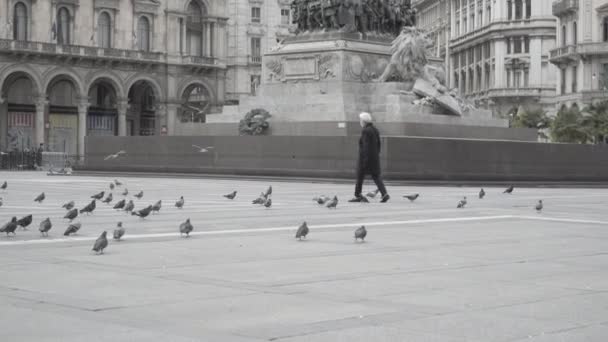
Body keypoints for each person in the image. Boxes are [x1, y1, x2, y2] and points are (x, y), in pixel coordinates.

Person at [349, 112, 390, 203]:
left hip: (366, 158)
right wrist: (376, 155)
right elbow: (379, 144)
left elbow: (365, 147)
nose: (360, 122)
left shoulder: (366, 131)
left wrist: (364, 160)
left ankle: (358, 195)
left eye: (360, 120)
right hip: (374, 158)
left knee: (360, 176)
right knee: (376, 176)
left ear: (363, 121)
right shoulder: (375, 129)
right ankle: (384, 194)